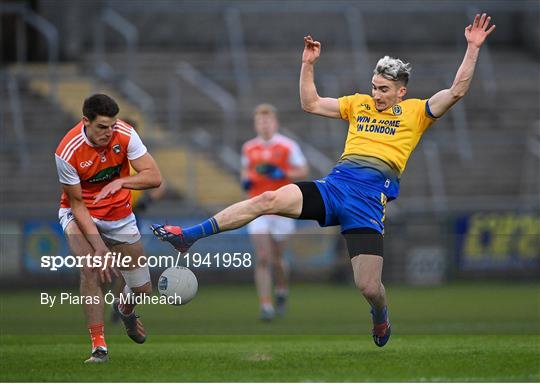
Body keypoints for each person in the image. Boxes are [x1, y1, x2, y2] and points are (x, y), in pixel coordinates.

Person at [151, 14, 495, 347]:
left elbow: (457, 91)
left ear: (401, 92)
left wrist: (473, 47)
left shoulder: (417, 112)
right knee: (266, 200)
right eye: (374, 86)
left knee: (368, 287)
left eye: (384, 89)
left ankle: (381, 314)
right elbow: (310, 103)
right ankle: (190, 236)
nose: (376, 94)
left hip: (367, 204)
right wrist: (308, 64)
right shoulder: (358, 104)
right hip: (334, 188)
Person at [55, 94, 162, 363]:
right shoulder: (67, 151)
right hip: (80, 213)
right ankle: (99, 346)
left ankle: (125, 308)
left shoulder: (125, 135)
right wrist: (100, 248)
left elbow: (154, 176)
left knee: (142, 290)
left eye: (112, 125)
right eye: (102, 127)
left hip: (119, 215)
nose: (108, 132)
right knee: (90, 266)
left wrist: (123, 182)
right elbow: (77, 204)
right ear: (85, 122)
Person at [241, 104, 309, 320]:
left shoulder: (287, 146)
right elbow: (245, 173)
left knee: (277, 258)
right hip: (257, 206)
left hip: (281, 207)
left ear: (275, 122)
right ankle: (265, 305)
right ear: (256, 124)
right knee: (262, 256)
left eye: (267, 121)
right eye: (260, 121)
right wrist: (246, 181)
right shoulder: (249, 148)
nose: (264, 124)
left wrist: (282, 172)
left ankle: (281, 288)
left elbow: (303, 171)